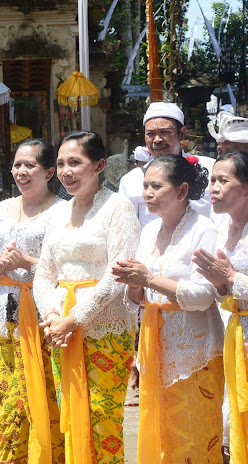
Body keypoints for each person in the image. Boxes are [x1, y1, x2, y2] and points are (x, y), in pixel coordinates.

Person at [34, 131, 140, 463]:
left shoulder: (118, 208)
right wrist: (52, 314)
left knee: (103, 420)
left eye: (75, 163)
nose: (66, 171)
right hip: (61, 333)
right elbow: (44, 273)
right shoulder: (57, 214)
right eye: (61, 163)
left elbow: (117, 275)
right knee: (71, 415)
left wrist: (74, 319)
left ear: (99, 165)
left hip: (104, 329)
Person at [113, 154, 224, 463]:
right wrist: (134, 284)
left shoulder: (203, 229)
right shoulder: (148, 231)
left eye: (157, 186)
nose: (148, 193)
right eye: (145, 185)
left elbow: (204, 294)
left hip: (194, 349)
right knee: (161, 431)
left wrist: (148, 278)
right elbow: (138, 297)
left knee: (194, 436)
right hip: (155, 344)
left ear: (182, 191)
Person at [0, 139, 65, 463]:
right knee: (8, 402)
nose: (21, 171)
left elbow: (68, 269)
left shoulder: (63, 212)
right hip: (3, 317)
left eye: (29, 165)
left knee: (48, 399)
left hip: (49, 315)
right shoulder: (0, 211)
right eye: (17, 164)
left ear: (49, 172)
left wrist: (28, 263)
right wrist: (0, 266)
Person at [192, 151, 248, 462]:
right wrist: (220, 284)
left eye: (223, 180)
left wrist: (230, 276)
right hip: (232, 335)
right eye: (212, 180)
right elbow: (224, 291)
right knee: (228, 421)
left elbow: (233, 280)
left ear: (246, 188)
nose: (213, 187)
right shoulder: (220, 229)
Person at [119, 102, 216, 227]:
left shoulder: (210, 169)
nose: (157, 140)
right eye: (150, 134)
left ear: (181, 134)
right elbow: (126, 230)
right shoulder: (131, 181)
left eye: (165, 132)